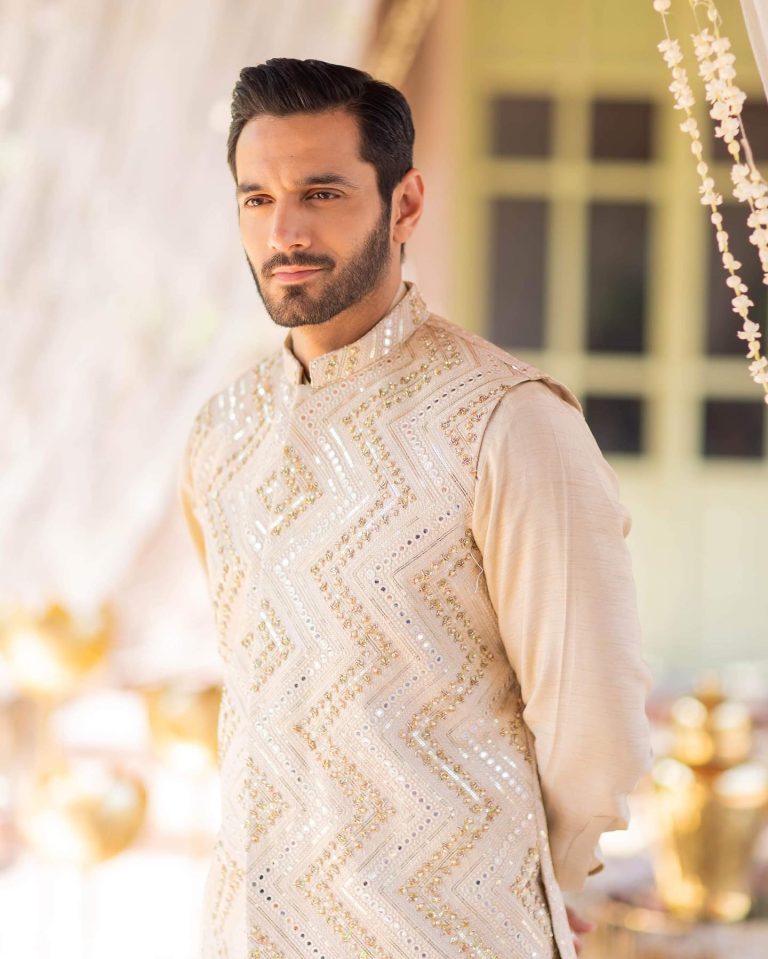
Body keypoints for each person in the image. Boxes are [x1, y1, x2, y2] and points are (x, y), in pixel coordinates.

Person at [179, 57, 654, 959]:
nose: (285, 230)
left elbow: (592, 716)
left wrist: (539, 875)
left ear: (405, 205)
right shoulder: (222, 432)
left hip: (452, 932)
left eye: (322, 193)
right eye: (257, 199)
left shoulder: (507, 422)